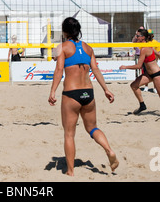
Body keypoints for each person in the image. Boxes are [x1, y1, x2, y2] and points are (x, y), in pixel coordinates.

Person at [49, 17, 118, 176]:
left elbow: (59, 70)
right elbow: (96, 70)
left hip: (71, 94)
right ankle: (109, 150)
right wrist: (106, 89)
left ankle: (71, 171)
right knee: (92, 128)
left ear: (65, 31)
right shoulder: (88, 48)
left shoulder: (62, 47)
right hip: (89, 93)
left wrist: (52, 91)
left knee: (69, 133)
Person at [119, 29, 160, 116]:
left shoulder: (144, 49)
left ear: (143, 37)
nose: (136, 37)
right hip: (149, 74)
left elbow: (139, 66)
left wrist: (125, 67)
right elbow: (157, 53)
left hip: (157, 74)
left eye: (138, 36)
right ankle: (142, 105)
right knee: (134, 86)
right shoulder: (146, 45)